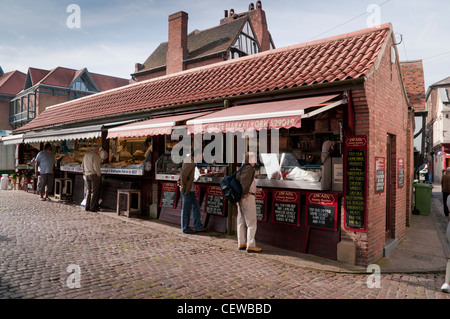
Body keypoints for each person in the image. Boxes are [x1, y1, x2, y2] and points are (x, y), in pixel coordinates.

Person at [236, 151, 261, 253]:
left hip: (241, 197)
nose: (255, 160)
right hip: (247, 197)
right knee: (251, 222)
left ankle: (241, 243)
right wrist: (245, 192)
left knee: (241, 221)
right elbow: (245, 182)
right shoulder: (249, 168)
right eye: (254, 158)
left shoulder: (242, 167)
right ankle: (251, 245)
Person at [178, 150, 207, 234]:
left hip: (190, 189)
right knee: (186, 209)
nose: (202, 158)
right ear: (197, 154)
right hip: (187, 190)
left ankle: (197, 226)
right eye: (201, 156)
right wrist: (184, 187)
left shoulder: (191, 161)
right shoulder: (190, 161)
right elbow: (183, 174)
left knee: (196, 207)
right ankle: (185, 228)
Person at [82, 145, 102, 212]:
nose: (98, 151)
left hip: (87, 174)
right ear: (96, 150)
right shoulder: (95, 156)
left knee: (89, 191)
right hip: (93, 174)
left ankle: (87, 206)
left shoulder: (86, 155)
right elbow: (96, 167)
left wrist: (84, 172)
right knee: (94, 191)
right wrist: (99, 174)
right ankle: (92, 207)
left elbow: (82, 166)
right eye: (98, 150)